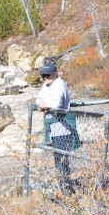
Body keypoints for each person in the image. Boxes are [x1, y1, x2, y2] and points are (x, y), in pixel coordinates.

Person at [35, 62, 76, 194]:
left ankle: (67, 191)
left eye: (48, 75)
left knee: (62, 161)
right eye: (43, 75)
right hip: (54, 130)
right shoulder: (46, 85)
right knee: (58, 160)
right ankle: (64, 188)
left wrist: (44, 105)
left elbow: (57, 104)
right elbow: (38, 100)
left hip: (63, 129)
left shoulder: (58, 84)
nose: (46, 77)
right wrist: (43, 104)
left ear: (55, 73)